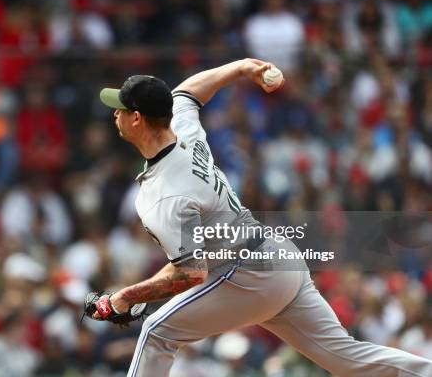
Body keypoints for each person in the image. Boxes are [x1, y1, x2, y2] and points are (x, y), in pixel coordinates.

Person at [95, 58, 432, 376]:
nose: (115, 114)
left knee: (156, 332)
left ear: (137, 118)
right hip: (277, 257)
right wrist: (241, 67)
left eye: (120, 109)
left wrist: (124, 297)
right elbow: (187, 92)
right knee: (346, 358)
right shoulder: (181, 128)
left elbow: (191, 274)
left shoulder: (164, 195)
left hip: (246, 275)